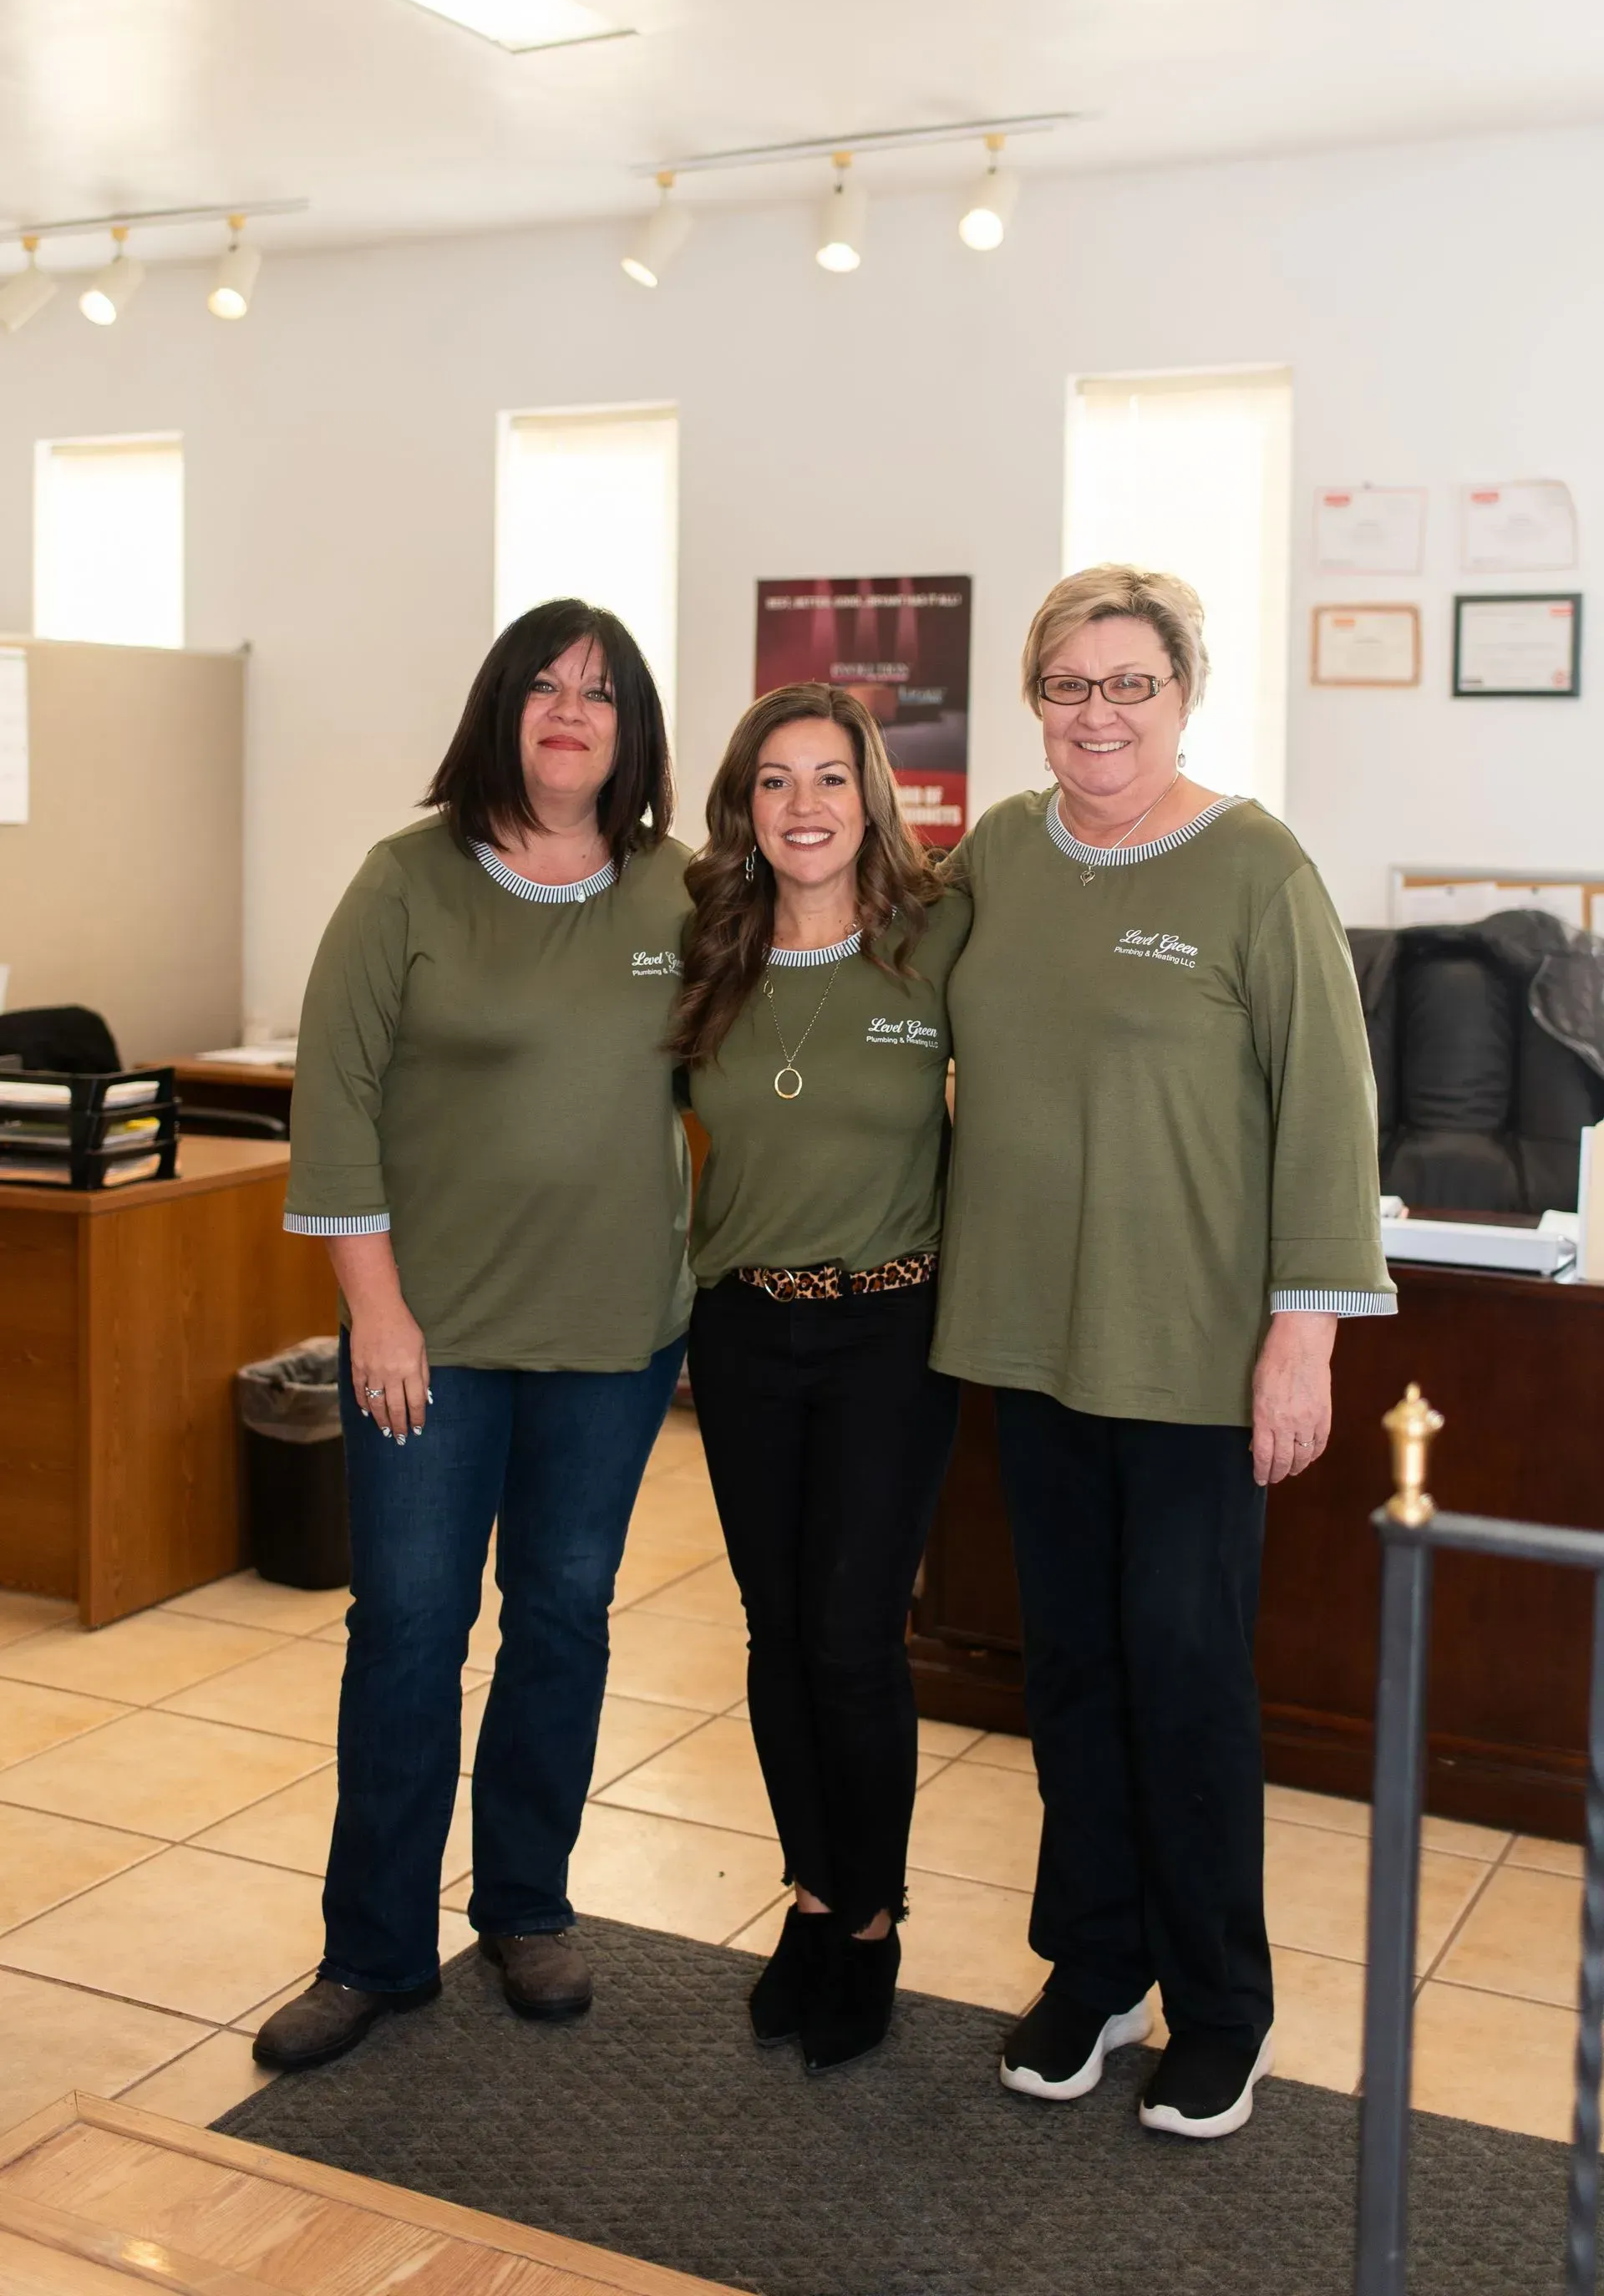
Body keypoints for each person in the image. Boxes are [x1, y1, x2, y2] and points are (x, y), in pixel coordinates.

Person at [933, 564, 1393, 2139]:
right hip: (1035, 1342)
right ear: (1035, 702)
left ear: (1184, 693)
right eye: (1069, 685)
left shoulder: (1257, 867)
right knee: (1068, 1671)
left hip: (1195, 1357)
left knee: (1185, 1678)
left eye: (1130, 684)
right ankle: (1096, 1967)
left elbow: (1332, 1116)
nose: (1098, 716)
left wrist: (1306, 1343)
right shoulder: (999, 851)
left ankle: (1220, 2004)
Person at [254, 599, 692, 2071]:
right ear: (500, 707)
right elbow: (337, 1103)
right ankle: (373, 1949)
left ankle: (526, 1906)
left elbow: (773, 1068)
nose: (571, 712)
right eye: (545, 687)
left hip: (614, 1338)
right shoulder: (407, 882)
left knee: (561, 1620)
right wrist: (374, 1310)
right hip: (427, 1343)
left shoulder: (677, 894)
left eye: (602, 694)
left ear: (632, 732)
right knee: (409, 1635)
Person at [671, 684, 971, 2071]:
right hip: (742, 1335)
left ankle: (872, 1923)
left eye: (831, 779)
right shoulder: (703, 954)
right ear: (746, 806)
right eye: (777, 782)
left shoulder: (939, 939)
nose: (805, 806)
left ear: (873, 798)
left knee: (854, 1636)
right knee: (775, 1628)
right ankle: (809, 1892)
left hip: (888, 1336)